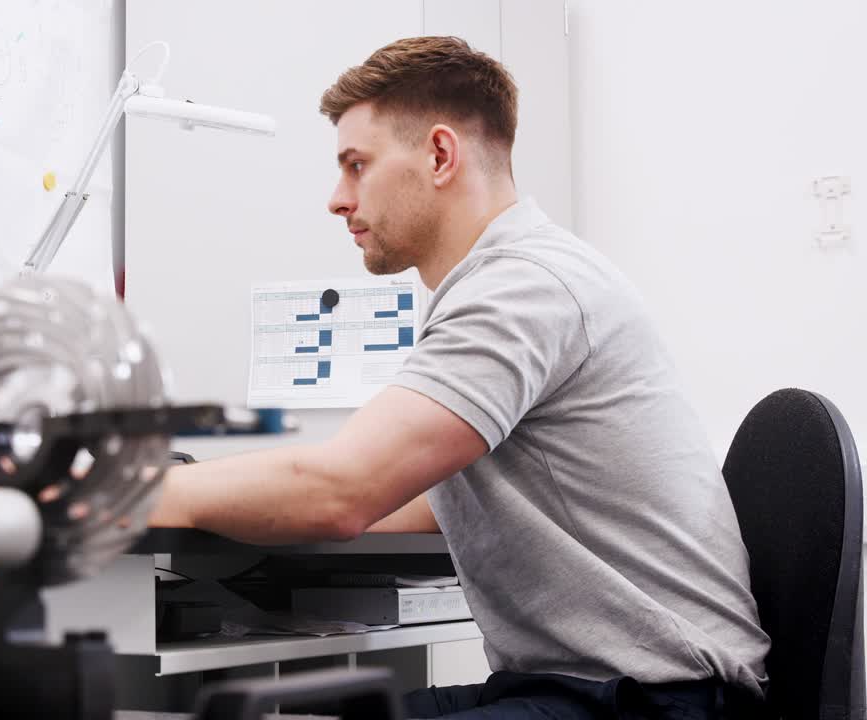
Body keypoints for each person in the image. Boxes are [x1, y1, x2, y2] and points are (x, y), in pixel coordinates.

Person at [147, 36, 769, 719]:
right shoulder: (515, 278)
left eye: (357, 166)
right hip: (598, 688)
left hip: (659, 702)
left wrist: (136, 492)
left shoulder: (523, 288)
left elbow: (344, 491)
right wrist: (224, 491)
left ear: (440, 155)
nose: (336, 199)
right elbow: (403, 498)